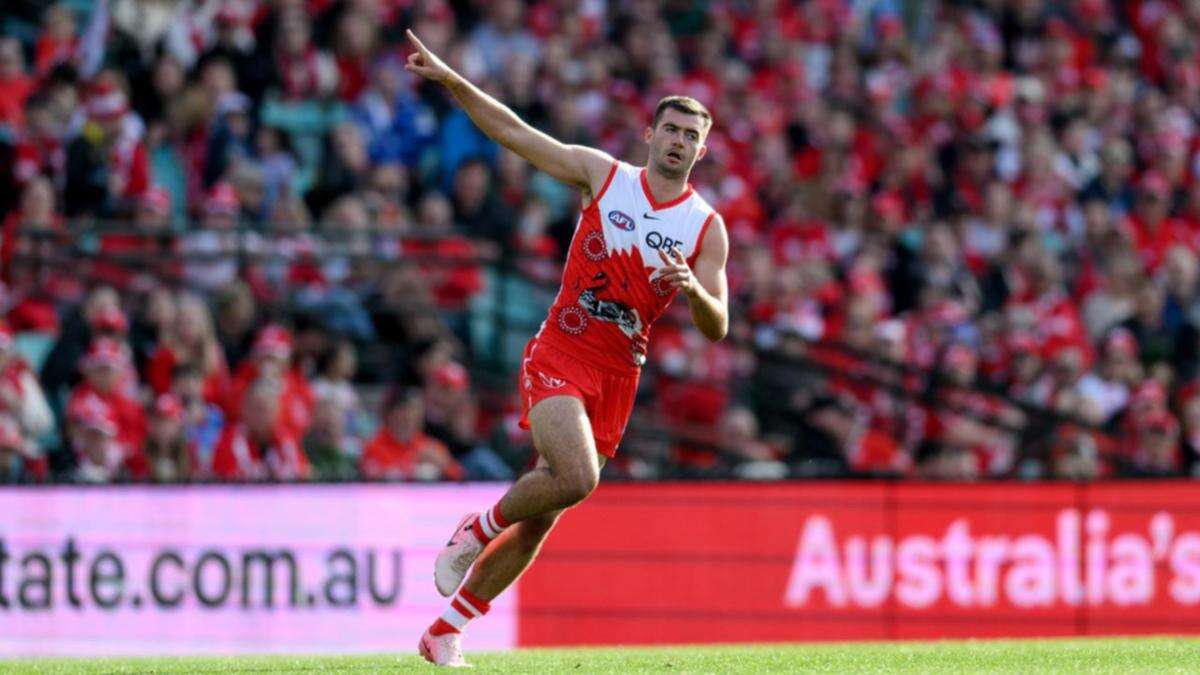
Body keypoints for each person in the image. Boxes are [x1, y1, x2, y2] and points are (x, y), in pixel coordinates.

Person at [403, 30, 730, 666]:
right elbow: (515, 133)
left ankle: (446, 630)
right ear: (650, 134)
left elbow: (718, 324)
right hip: (563, 345)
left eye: (691, 136)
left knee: (549, 508)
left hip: (620, 371)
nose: (679, 142)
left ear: (703, 148)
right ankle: (476, 529)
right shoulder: (603, 177)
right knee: (575, 480)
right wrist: (451, 81)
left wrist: (692, 289)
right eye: (670, 130)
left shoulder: (706, 228)